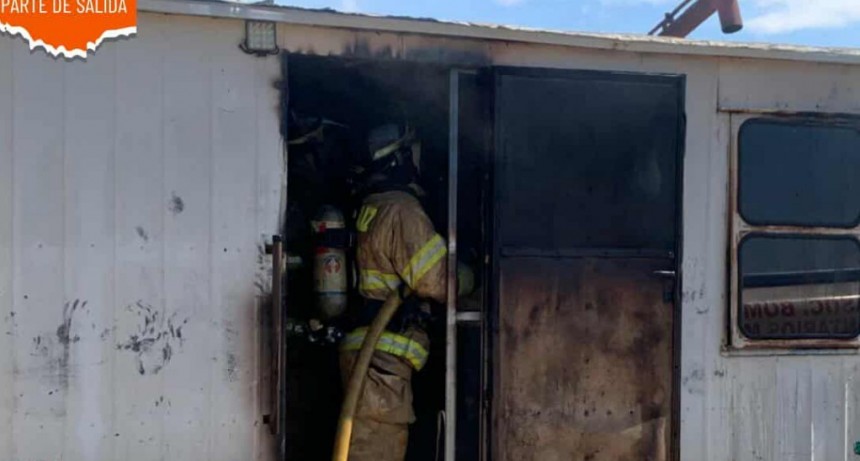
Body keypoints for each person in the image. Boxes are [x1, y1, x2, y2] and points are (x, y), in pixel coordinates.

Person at [339, 123, 447, 461]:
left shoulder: (370, 206)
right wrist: (472, 276)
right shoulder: (401, 210)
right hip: (382, 361)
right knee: (376, 451)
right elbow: (434, 281)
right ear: (398, 159)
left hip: (370, 355)